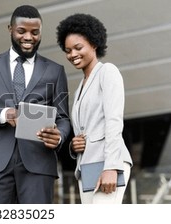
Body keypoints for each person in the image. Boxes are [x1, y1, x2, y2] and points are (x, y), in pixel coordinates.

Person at [0, 5, 71, 204]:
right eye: (22, 31)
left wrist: (59, 137)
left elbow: (63, 118)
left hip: (39, 162)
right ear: (10, 29)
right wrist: (5, 114)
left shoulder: (55, 71)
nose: (28, 37)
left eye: (35, 32)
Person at [56, 13, 133, 204]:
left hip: (108, 163)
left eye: (78, 47)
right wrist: (74, 146)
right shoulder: (81, 86)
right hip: (88, 167)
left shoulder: (107, 71)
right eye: (67, 50)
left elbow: (114, 121)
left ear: (94, 44)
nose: (72, 54)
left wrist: (111, 167)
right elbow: (87, 129)